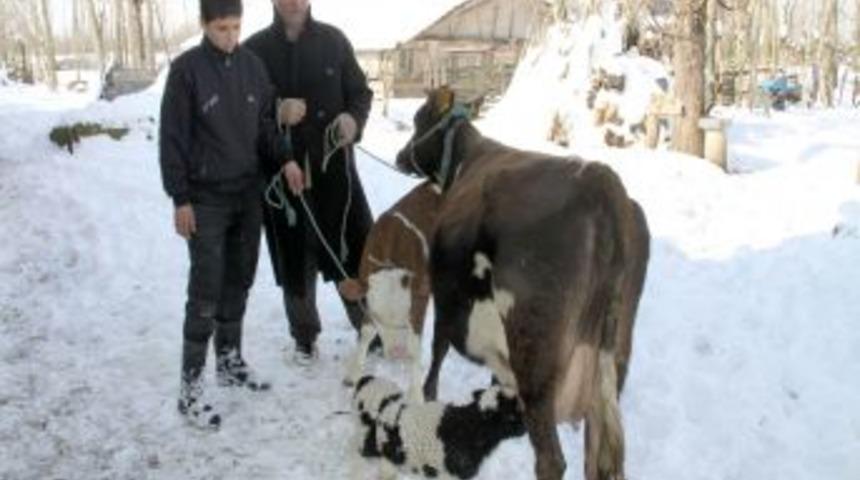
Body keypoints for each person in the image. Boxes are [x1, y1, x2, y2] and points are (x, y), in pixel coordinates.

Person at [159, 0, 289, 429]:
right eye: (221, 28)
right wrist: (180, 198)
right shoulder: (186, 71)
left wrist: (286, 159)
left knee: (239, 280)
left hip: (247, 194)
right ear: (203, 24)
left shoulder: (253, 67)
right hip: (206, 199)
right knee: (205, 291)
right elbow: (172, 138)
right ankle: (190, 388)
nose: (231, 37)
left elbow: (265, 126)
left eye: (236, 27)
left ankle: (229, 360)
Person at [245, 0, 374, 365]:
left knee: (348, 249)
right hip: (283, 175)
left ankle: (369, 329)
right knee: (296, 260)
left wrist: (353, 119)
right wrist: (277, 111)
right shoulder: (254, 51)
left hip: (335, 173)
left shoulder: (334, 41)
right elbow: (242, 110)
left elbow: (360, 93)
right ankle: (304, 338)